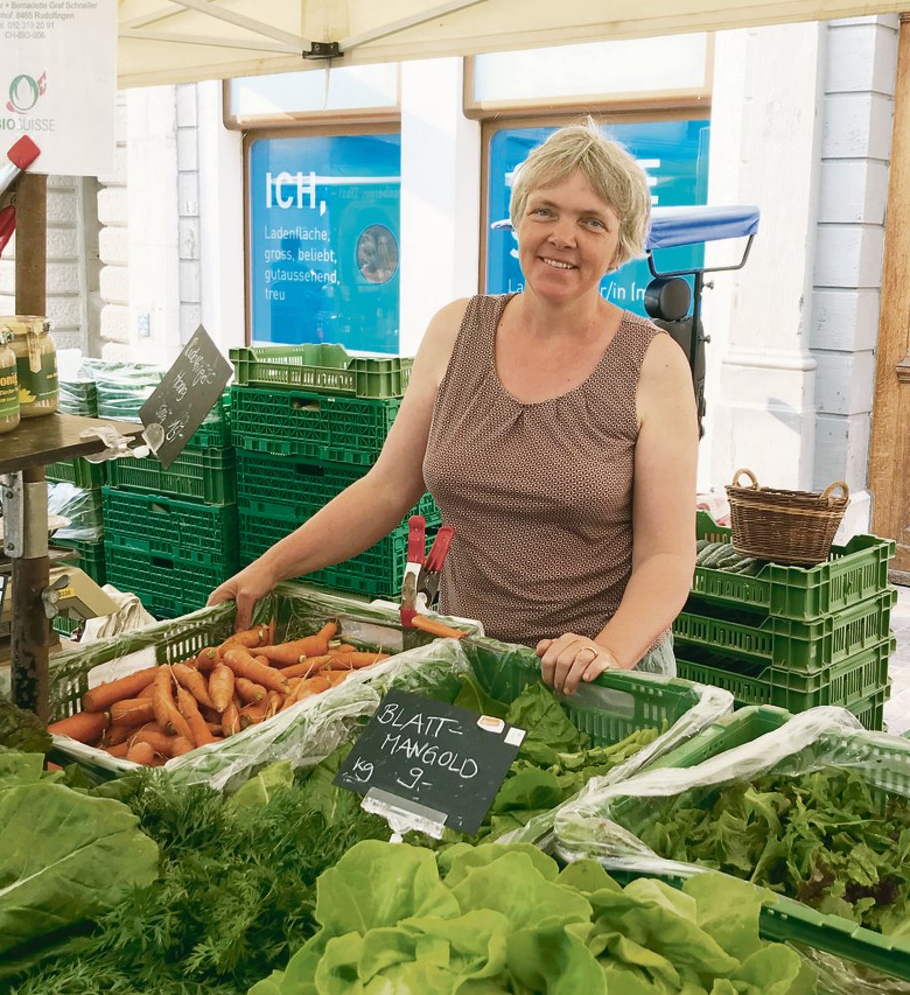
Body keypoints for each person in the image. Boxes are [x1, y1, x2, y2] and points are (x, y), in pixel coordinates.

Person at [210, 120, 698, 695]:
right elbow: (386, 489)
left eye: (592, 221)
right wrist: (270, 567)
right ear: (517, 222)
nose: (563, 236)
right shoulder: (455, 330)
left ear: (619, 245)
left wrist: (606, 650)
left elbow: (667, 557)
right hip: (467, 659)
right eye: (545, 211)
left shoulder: (654, 363)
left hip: (597, 678)